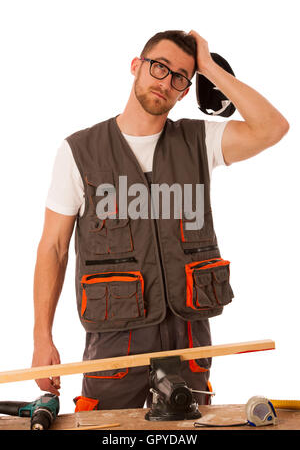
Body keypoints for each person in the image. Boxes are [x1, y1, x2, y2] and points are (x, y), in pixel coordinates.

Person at [31, 29, 289, 411]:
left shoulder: (199, 141)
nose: (166, 82)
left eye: (179, 76)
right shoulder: (79, 151)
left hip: (189, 343)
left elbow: (273, 128)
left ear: (186, 89)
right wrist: (42, 338)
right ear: (137, 67)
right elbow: (53, 247)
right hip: (115, 349)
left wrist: (210, 68)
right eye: (159, 67)